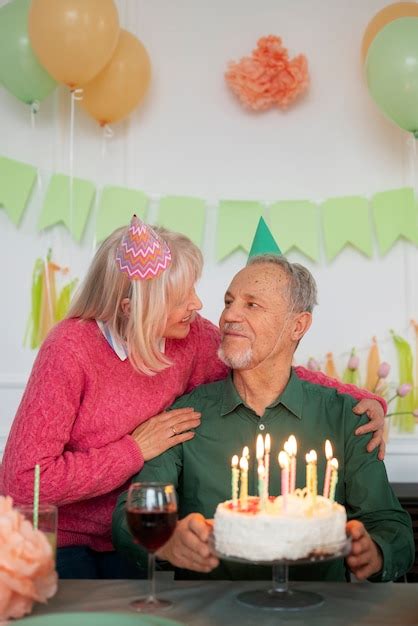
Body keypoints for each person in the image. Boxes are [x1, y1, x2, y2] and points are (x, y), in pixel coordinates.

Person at [1, 218, 386, 580]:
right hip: (56, 539)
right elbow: (22, 483)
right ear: (133, 307)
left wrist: (362, 399)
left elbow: (267, 365)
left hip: (132, 532)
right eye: (181, 295)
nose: (198, 304)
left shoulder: (191, 339)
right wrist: (133, 450)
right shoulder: (70, 349)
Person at [112, 254, 414, 582]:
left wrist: (377, 551)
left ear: (297, 325)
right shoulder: (185, 416)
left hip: (320, 611)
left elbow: (390, 525)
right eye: (228, 302)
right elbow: (128, 514)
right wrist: (168, 543)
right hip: (210, 613)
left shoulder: (348, 418)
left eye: (252, 305)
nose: (228, 315)